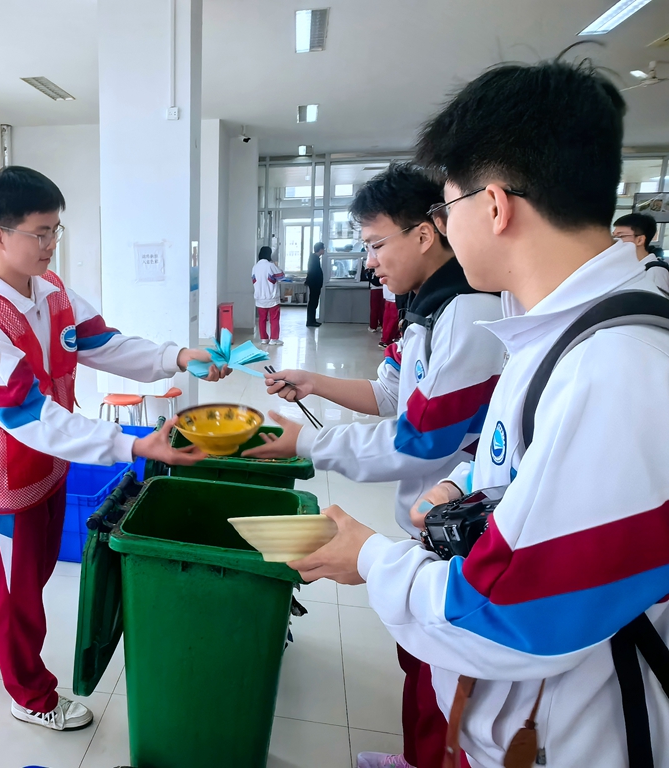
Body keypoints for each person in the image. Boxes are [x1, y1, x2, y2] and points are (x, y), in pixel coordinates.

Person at [286, 58, 669, 768]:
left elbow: (507, 616)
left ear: (493, 206)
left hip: (573, 732)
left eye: (446, 207)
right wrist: (465, 488)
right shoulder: (558, 332)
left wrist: (367, 556)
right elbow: (522, 465)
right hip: (523, 709)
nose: (444, 225)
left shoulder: (614, 368)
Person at [0, 165, 227, 733]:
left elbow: (105, 345)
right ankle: (30, 693)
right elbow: (24, 415)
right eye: (38, 233)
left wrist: (175, 356)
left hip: (51, 462)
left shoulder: (54, 293)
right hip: (2, 477)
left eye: (55, 231)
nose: (50, 246)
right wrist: (132, 442)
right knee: (20, 590)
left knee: (38, 568)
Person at [244, 162, 505, 768]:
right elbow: (392, 395)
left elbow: (421, 442)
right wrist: (314, 380)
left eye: (375, 243)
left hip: (454, 517)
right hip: (428, 518)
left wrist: (305, 444)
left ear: (428, 230)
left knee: (444, 678)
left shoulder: (467, 314)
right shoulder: (426, 305)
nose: (369, 261)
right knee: (420, 664)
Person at [613, 213, 668, 292]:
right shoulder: (629, 266)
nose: (615, 241)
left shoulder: (655, 271)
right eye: (613, 237)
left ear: (640, 240)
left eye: (620, 236)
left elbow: (658, 303)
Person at [253, 245, 285, 345]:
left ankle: (264, 338)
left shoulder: (255, 267)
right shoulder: (270, 266)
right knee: (274, 318)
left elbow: (254, 280)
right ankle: (274, 339)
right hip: (272, 298)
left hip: (259, 298)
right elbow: (281, 277)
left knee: (262, 319)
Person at [305, 241, 325, 327]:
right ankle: (310, 321)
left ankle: (312, 320)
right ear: (320, 249)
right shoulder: (314, 259)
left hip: (315, 284)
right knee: (313, 302)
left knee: (314, 302)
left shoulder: (315, 258)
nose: (324, 250)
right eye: (323, 249)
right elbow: (312, 273)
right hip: (314, 284)